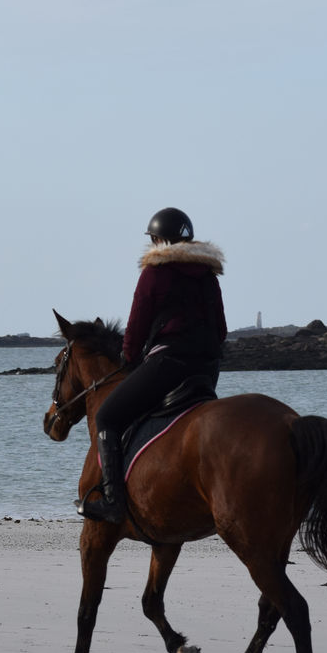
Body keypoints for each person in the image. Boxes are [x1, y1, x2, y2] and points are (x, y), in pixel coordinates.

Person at [79, 207, 227, 524]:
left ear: (158, 240)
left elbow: (136, 326)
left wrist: (130, 360)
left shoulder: (155, 273)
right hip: (207, 369)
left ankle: (112, 501)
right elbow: (221, 330)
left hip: (168, 362)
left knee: (107, 416)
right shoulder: (208, 275)